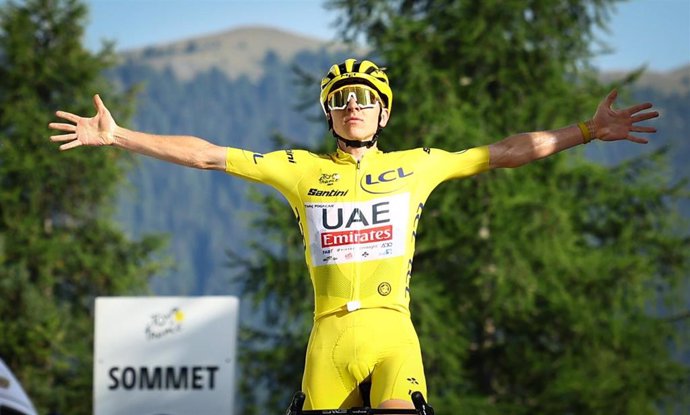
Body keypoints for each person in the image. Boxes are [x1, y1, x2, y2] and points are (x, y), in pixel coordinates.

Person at [49, 58, 658, 411]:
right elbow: (208, 156)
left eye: (366, 98)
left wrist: (584, 130)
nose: (353, 106)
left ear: (384, 111)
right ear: (330, 113)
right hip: (329, 337)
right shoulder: (301, 171)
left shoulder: (418, 165)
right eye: (341, 100)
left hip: (394, 332)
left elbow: (502, 152)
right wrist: (121, 136)